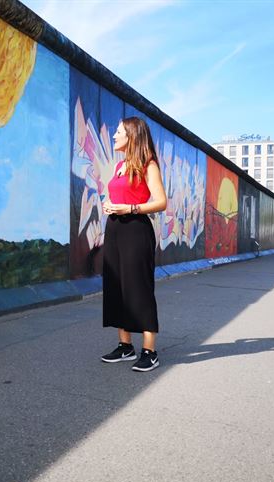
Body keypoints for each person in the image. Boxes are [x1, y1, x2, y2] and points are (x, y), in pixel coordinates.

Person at [100, 118, 168, 372]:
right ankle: (125, 346)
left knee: (138, 287)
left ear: (132, 136)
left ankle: (149, 351)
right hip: (114, 229)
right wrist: (109, 204)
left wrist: (130, 208)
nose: (114, 136)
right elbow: (117, 194)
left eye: (118, 132)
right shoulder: (119, 165)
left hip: (136, 231)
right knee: (116, 287)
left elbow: (161, 202)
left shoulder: (147, 164)